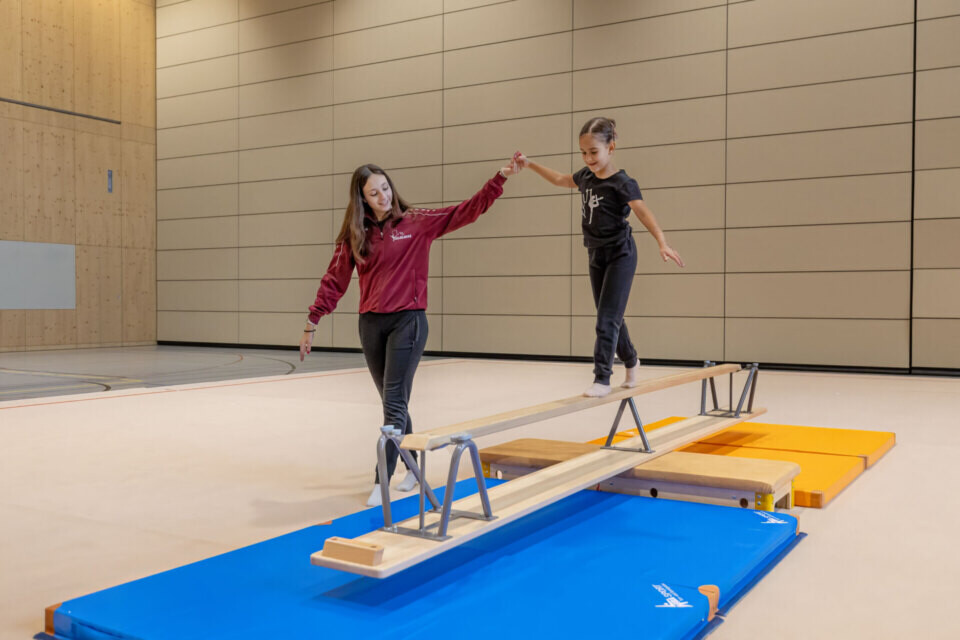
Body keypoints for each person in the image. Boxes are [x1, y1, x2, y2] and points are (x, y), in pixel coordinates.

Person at [300, 157, 522, 506]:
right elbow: (336, 278)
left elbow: (466, 211)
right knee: (395, 403)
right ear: (362, 200)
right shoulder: (355, 235)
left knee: (392, 403)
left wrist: (499, 179)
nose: (383, 197)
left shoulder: (417, 222)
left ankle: (382, 479)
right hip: (371, 324)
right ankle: (413, 466)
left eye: (385, 188)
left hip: (409, 322)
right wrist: (313, 319)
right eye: (374, 193)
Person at [517, 117, 684, 398]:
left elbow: (643, 212)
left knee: (607, 319)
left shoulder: (622, 183)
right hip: (596, 254)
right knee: (610, 316)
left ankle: (602, 378)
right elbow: (560, 179)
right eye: (583, 153)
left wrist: (662, 242)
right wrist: (530, 163)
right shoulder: (585, 177)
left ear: (611, 148)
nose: (588, 158)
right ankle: (631, 360)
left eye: (594, 152)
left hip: (621, 254)